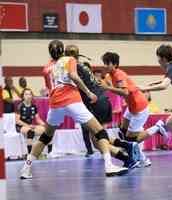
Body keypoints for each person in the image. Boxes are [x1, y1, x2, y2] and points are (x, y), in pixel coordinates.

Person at [20, 40, 130, 179]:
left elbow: (50, 88)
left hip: (54, 103)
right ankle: (109, 166)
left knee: (45, 137)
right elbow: (73, 76)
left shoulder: (46, 68)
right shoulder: (69, 59)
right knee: (99, 131)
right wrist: (89, 93)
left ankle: (26, 168)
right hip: (71, 100)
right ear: (63, 51)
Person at [64, 45, 140, 168]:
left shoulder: (74, 68)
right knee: (98, 138)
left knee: (97, 140)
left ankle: (125, 152)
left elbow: (75, 82)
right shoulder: (82, 65)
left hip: (96, 102)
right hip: (102, 101)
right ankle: (127, 153)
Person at [100, 52, 168, 168]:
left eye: (107, 63)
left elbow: (125, 92)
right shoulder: (110, 75)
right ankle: (143, 159)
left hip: (139, 107)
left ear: (115, 64)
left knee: (131, 139)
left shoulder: (118, 75)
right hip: (131, 106)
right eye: (104, 63)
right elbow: (106, 83)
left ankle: (157, 127)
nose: (105, 66)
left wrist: (108, 88)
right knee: (122, 132)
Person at [16, 88, 52, 155]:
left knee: (47, 131)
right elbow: (17, 121)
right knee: (30, 132)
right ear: (23, 96)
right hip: (21, 126)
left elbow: (38, 119)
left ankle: (50, 152)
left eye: (30, 94)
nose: (28, 96)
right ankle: (30, 154)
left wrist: (45, 124)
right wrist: (29, 126)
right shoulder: (20, 106)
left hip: (31, 125)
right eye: (26, 94)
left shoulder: (33, 106)